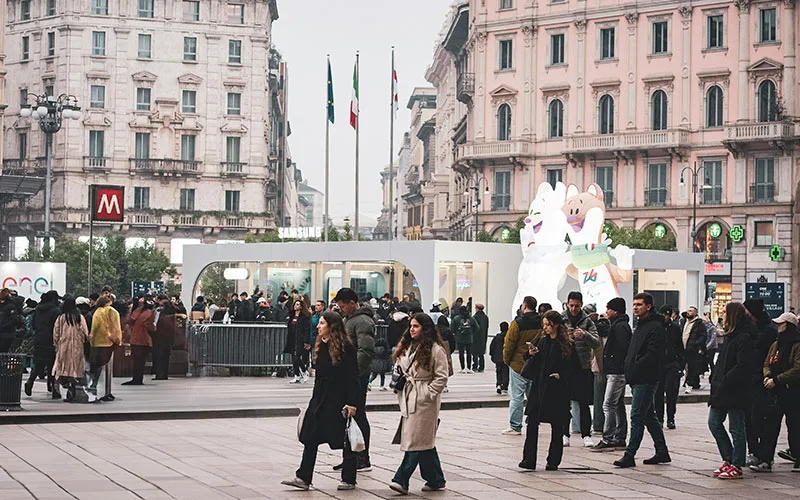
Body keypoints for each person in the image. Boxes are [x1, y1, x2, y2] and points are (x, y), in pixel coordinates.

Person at [282, 311, 361, 491]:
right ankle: (303, 476)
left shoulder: (346, 348)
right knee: (311, 436)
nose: (318, 326)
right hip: (320, 399)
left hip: (338, 400)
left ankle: (349, 478)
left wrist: (352, 402)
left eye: (322, 323)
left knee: (345, 438)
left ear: (332, 327)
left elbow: (352, 377)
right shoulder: (322, 345)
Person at [389, 313, 449, 494]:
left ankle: (401, 479)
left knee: (415, 440)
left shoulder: (436, 349)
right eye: (411, 326)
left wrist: (428, 393)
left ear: (425, 328)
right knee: (423, 441)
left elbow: (442, 376)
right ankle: (436, 479)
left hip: (424, 400)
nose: (412, 329)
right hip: (409, 394)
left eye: (416, 326)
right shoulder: (407, 345)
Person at [613, 292, 671, 468]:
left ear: (648, 306)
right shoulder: (641, 325)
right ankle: (662, 451)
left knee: (637, 416)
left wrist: (636, 366)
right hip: (638, 376)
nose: (635, 307)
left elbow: (652, 354)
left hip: (646, 377)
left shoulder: (655, 327)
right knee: (648, 416)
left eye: (639, 304)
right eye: (634, 304)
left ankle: (630, 454)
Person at [519, 310, 581, 470]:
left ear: (556, 325)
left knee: (557, 425)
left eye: (548, 325)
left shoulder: (567, 345)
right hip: (539, 387)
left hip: (556, 390)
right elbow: (532, 360)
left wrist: (561, 376)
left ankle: (553, 460)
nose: (545, 328)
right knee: (532, 422)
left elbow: (575, 369)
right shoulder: (542, 341)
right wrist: (530, 353)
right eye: (544, 324)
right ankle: (528, 459)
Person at [707, 302, 753, 480]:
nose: (723, 315)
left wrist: (726, 379)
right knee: (714, 423)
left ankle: (737, 463)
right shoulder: (729, 336)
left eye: (725, 312)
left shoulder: (744, 337)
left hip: (735, 389)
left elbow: (743, 365)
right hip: (721, 388)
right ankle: (728, 457)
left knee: (736, 428)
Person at [333, 288, 375, 472]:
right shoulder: (347, 319)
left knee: (358, 414)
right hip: (347, 375)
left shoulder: (363, 321)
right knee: (348, 415)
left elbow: (365, 351)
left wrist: (353, 372)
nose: (341, 309)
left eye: (343, 306)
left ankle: (362, 457)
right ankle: (350, 456)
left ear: (352, 303)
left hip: (357, 376)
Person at [753, 312, 800, 473]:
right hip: (775, 392)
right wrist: (768, 375)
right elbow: (767, 362)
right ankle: (766, 459)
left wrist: (777, 379)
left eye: (782, 324)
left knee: (795, 425)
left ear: (790, 326)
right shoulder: (776, 344)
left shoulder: (797, 344)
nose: (779, 326)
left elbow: (797, 369)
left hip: (792, 391)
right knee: (770, 426)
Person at [592, 298, 632, 452]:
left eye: (608, 309)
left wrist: (614, 362)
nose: (606, 311)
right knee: (618, 405)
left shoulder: (620, 327)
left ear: (615, 311)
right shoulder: (618, 325)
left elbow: (623, 348)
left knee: (608, 404)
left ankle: (608, 438)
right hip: (616, 370)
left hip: (617, 371)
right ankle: (620, 437)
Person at [743, 299, 779, 469]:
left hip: (763, 380)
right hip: (750, 379)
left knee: (761, 418)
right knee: (749, 419)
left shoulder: (769, 330)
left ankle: (764, 455)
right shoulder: (749, 328)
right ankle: (754, 451)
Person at [563, 291, 600, 447]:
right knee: (564, 402)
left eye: (577, 306)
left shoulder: (587, 321)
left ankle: (586, 434)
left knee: (584, 402)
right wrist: (567, 336)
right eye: (571, 305)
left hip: (582, 366)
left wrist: (584, 335)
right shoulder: (561, 319)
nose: (573, 309)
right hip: (564, 365)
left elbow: (597, 342)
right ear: (567, 303)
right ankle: (564, 434)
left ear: (581, 304)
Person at [502, 296, 542, 435]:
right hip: (535, 364)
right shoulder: (541, 323)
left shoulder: (517, 323)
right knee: (533, 396)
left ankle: (515, 426)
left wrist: (507, 361)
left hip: (518, 364)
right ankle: (533, 421)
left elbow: (509, 344)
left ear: (524, 306)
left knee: (517, 396)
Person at [51, 295, 89, 402]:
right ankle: (73, 387)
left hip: (64, 346)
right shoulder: (79, 317)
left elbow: (56, 333)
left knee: (63, 368)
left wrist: (56, 344)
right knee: (75, 368)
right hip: (77, 347)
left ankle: (66, 388)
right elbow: (85, 332)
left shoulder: (61, 318)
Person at [24, 290, 61, 399]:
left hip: (39, 339)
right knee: (52, 366)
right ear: (53, 299)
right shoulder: (55, 311)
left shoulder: (37, 310)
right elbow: (57, 327)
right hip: (50, 340)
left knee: (38, 364)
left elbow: (34, 324)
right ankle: (53, 389)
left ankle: (30, 382)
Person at [655, 305, 685, 429]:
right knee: (658, 393)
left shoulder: (675, 328)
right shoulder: (657, 328)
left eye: (667, 315)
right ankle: (659, 418)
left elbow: (679, 346)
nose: (665, 317)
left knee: (672, 392)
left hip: (672, 364)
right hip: (659, 364)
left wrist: (680, 365)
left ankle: (671, 418)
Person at [87, 295, 122, 400]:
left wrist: (91, 340)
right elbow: (116, 327)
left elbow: (95, 327)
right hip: (111, 342)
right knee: (104, 366)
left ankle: (94, 386)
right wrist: (115, 339)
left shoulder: (98, 312)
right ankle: (105, 391)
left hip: (99, 343)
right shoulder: (113, 311)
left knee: (97, 366)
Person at [124, 297, 156, 385]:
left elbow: (130, 320)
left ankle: (136, 379)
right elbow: (151, 326)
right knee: (141, 361)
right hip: (145, 340)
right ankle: (138, 379)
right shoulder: (150, 312)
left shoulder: (139, 312)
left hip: (138, 339)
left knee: (137, 360)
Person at [287, 299, 312, 384]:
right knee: (293, 358)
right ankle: (297, 375)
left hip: (300, 339)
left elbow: (306, 329)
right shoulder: (291, 315)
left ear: (301, 306)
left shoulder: (304, 317)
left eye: (297, 304)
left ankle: (304, 371)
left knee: (297, 356)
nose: (295, 306)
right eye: (295, 304)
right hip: (292, 338)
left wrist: (306, 341)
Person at [152, 295, 177, 380]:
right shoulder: (171, 316)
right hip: (167, 339)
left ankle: (160, 374)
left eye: (162, 306)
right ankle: (163, 374)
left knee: (160, 356)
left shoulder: (164, 317)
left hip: (161, 338)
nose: (160, 307)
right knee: (164, 357)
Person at [683, 306, 707, 393]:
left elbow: (703, 336)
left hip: (692, 349)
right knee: (686, 367)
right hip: (683, 348)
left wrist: (696, 344)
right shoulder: (684, 322)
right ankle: (692, 382)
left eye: (691, 311)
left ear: (695, 313)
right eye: (688, 310)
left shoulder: (699, 324)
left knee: (692, 366)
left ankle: (690, 383)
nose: (688, 312)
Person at [452, 307, 476, 373]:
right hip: (469, 338)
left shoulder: (456, 318)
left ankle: (462, 368)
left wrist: (457, 333)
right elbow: (477, 327)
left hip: (460, 338)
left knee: (461, 353)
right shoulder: (471, 318)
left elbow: (452, 328)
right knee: (469, 353)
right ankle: (469, 368)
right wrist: (471, 333)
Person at [0, 288, 22, 353]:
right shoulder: (11, 306)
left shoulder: (10, 306)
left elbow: (13, 320)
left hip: (6, 334)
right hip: (8, 334)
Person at [490, 322, 510, 395]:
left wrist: (492, 355)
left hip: (498, 358)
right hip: (506, 357)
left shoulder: (497, 337)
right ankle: (505, 387)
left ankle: (499, 384)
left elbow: (492, 347)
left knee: (498, 371)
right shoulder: (509, 337)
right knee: (506, 372)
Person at [472, 304, 489, 373]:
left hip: (475, 337)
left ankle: (475, 366)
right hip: (483, 337)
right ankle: (481, 367)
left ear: (477, 309)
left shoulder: (475, 317)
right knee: (481, 353)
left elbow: (474, 327)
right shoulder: (485, 317)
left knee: (474, 352)